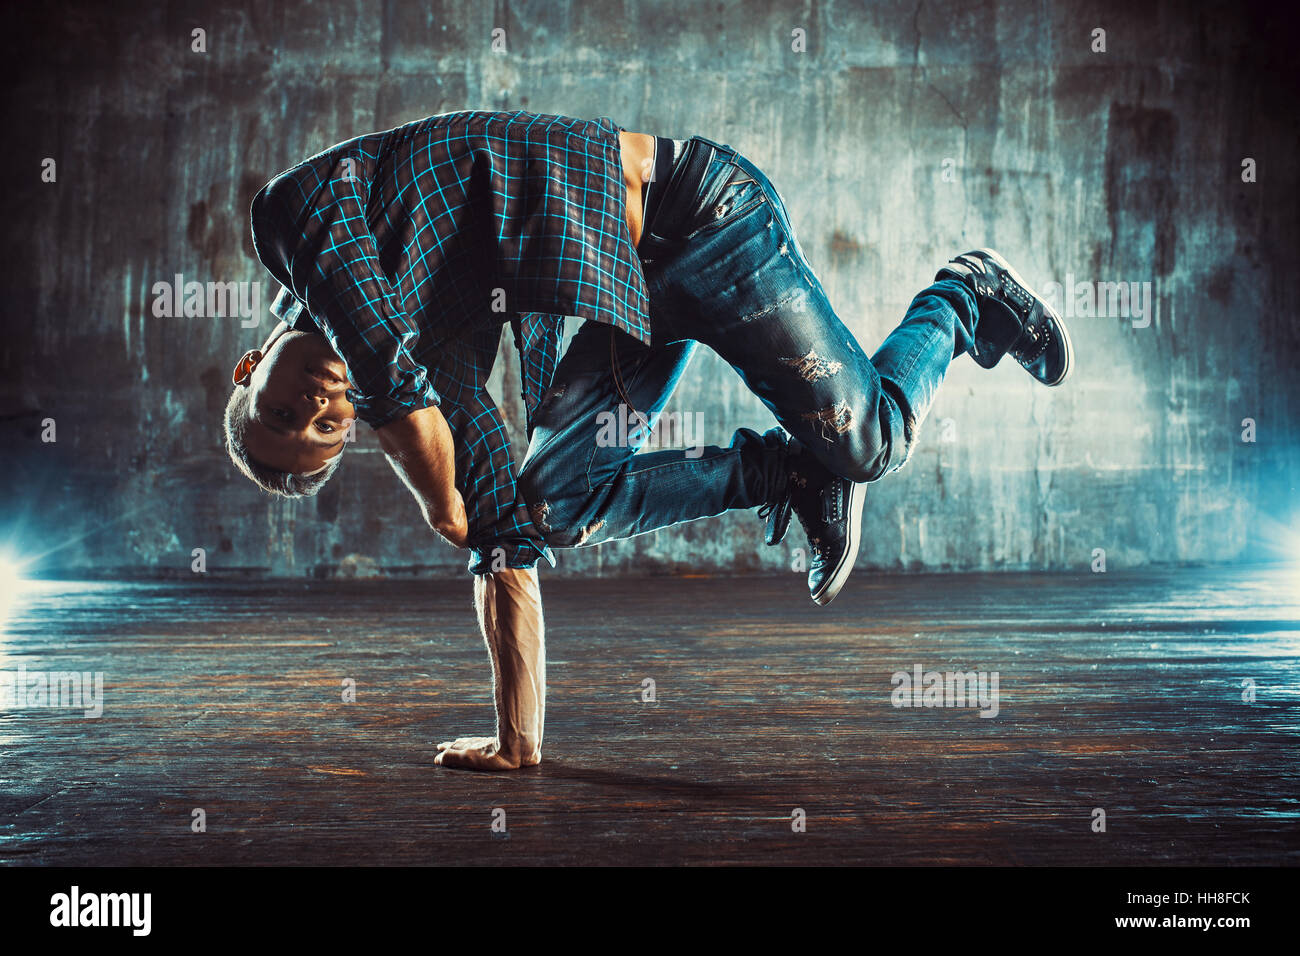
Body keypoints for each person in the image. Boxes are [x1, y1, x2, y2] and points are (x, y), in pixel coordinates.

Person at [226, 109, 1073, 770]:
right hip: (631, 311)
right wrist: (517, 742)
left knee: (872, 443)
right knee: (548, 505)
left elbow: (380, 364)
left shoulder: (291, 217)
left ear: (249, 366)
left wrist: (440, 499)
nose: (313, 407)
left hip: (701, 224)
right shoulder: (426, 372)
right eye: (325, 431)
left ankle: (964, 297)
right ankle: (784, 476)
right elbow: (503, 548)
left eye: (278, 411)